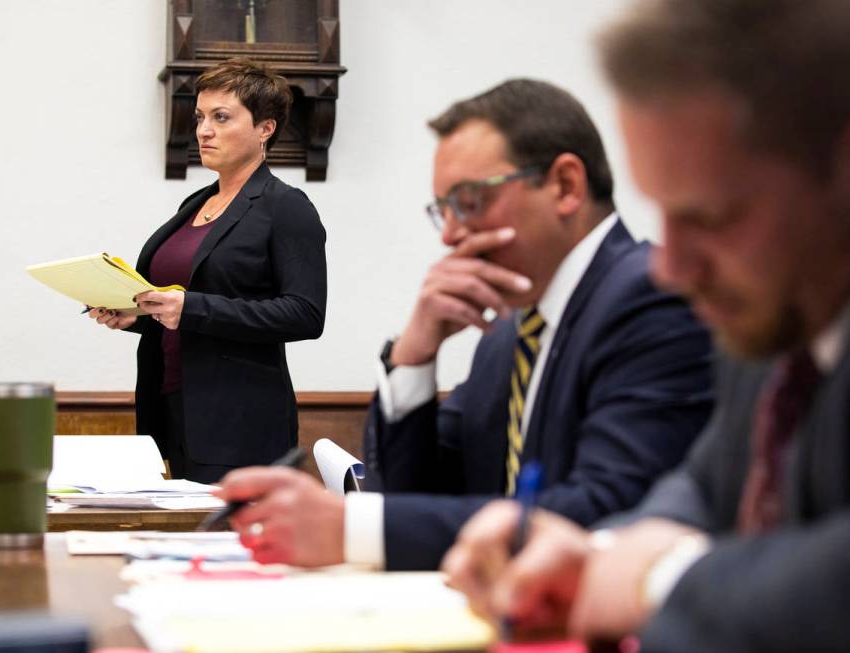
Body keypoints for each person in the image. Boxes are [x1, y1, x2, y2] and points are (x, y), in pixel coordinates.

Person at [442, 1, 850, 651]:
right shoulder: (771, 315)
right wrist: (599, 551)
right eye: (660, 213)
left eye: (711, 217)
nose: (669, 267)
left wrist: (658, 577)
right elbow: (704, 479)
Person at [215, 79, 714, 570]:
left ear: (565, 186)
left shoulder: (652, 297)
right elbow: (415, 494)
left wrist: (355, 528)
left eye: (469, 201)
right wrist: (413, 355)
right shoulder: (511, 330)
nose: (451, 234)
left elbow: (608, 514)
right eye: (443, 210)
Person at [89, 58, 327, 483]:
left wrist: (190, 308)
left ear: (265, 128)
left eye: (221, 117)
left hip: (239, 422)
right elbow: (184, 312)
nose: (203, 130)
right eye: (200, 117)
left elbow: (305, 313)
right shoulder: (194, 205)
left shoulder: (285, 207)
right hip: (169, 408)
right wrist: (137, 316)